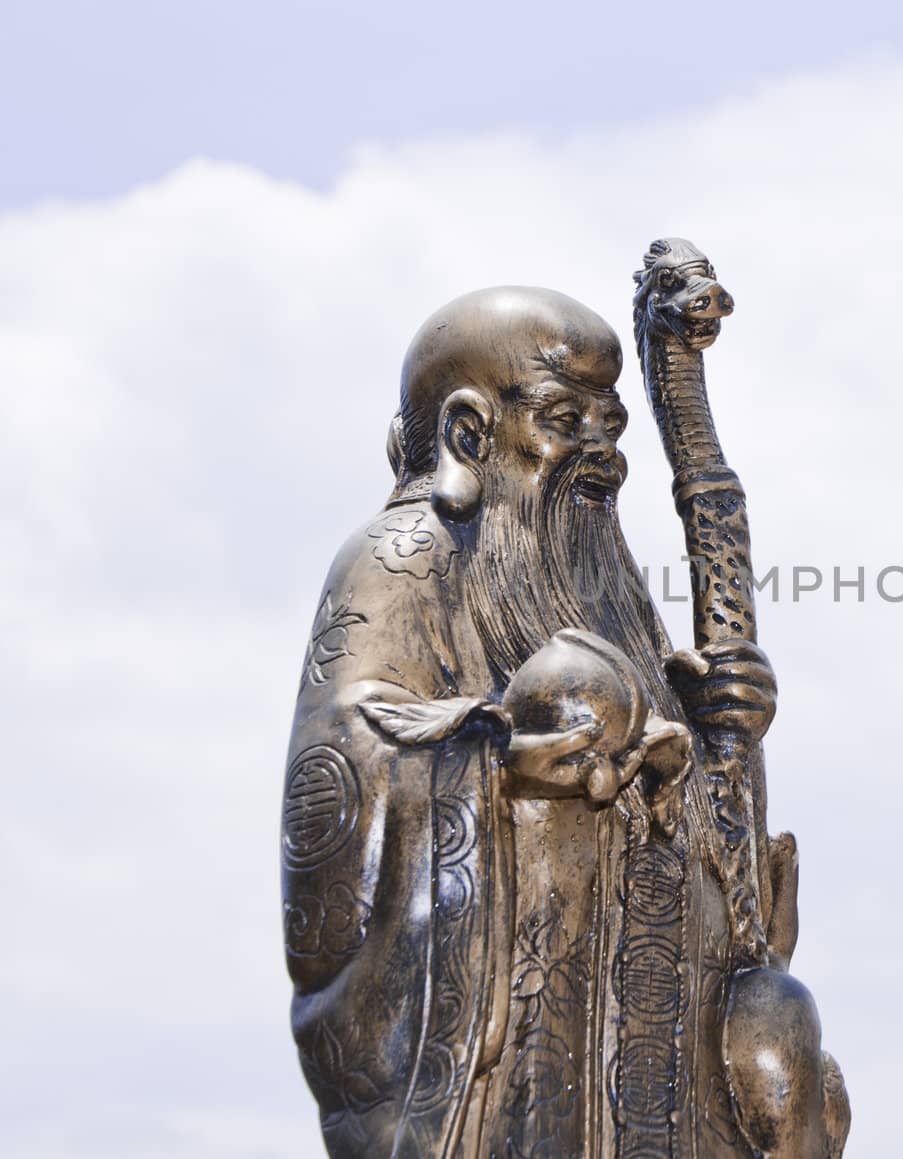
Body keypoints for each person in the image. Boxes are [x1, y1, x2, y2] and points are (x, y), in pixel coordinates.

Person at [282, 286, 839, 1157]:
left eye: (611, 425)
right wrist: (514, 757)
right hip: (524, 1013)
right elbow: (350, 748)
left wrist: (717, 723)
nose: (600, 452)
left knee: (775, 1020)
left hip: (652, 1011)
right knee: (570, 682)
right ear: (471, 434)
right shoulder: (403, 556)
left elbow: (721, 847)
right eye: (563, 418)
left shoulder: (601, 586)